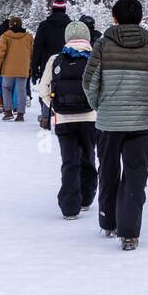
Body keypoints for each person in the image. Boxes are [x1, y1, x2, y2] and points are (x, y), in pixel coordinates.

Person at [82, 0, 148, 251]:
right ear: (141, 19)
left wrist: (101, 105)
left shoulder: (102, 46)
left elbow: (89, 83)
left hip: (109, 124)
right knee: (135, 177)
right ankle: (130, 233)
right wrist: (145, 101)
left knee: (108, 172)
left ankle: (108, 222)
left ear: (114, 18)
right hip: (140, 124)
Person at [39, 21, 98, 219]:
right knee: (88, 158)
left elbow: (43, 90)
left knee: (69, 161)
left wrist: (55, 108)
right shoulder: (95, 58)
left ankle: (69, 207)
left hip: (64, 118)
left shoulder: (55, 60)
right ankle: (86, 199)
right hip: (91, 117)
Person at [32, 0, 72, 129]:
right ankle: (63, 119)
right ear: (64, 9)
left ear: (53, 9)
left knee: (46, 90)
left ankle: (45, 118)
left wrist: (34, 68)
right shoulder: (70, 25)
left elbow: (37, 47)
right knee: (65, 89)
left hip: (46, 63)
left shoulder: (44, 25)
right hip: (66, 63)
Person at [0, 16, 33, 122]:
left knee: (6, 89)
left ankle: (8, 112)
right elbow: (32, 53)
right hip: (23, 68)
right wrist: (31, 67)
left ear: (10, 25)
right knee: (21, 90)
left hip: (8, 68)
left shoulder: (5, 36)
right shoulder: (28, 37)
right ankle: (20, 114)